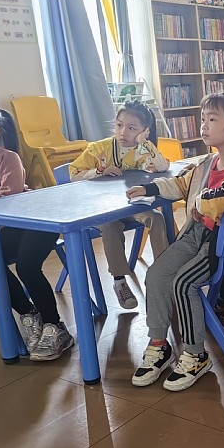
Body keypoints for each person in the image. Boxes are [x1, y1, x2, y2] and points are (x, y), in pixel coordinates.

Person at [127, 94, 224, 391]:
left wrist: (200, 202)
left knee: (183, 283)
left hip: (223, 246)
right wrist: (149, 188)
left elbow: (222, 198)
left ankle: (196, 355)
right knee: (156, 275)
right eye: (203, 118)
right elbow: (182, 184)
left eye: (212, 119)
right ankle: (158, 344)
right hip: (198, 234)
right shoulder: (208, 163)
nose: (203, 125)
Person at [0, 97, 74, 360]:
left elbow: (9, 199)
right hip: (11, 227)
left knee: (27, 267)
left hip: (38, 220)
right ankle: (29, 314)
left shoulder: (8, 158)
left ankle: (56, 327)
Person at [69, 100, 170, 309]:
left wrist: (145, 142)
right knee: (110, 226)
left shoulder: (143, 149)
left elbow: (163, 167)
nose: (123, 132)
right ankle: (119, 281)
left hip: (132, 205)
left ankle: (163, 275)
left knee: (157, 218)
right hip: (103, 209)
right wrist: (98, 172)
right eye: (119, 125)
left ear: (145, 131)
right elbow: (73, 174)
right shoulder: (98, 149)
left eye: (132, 128)